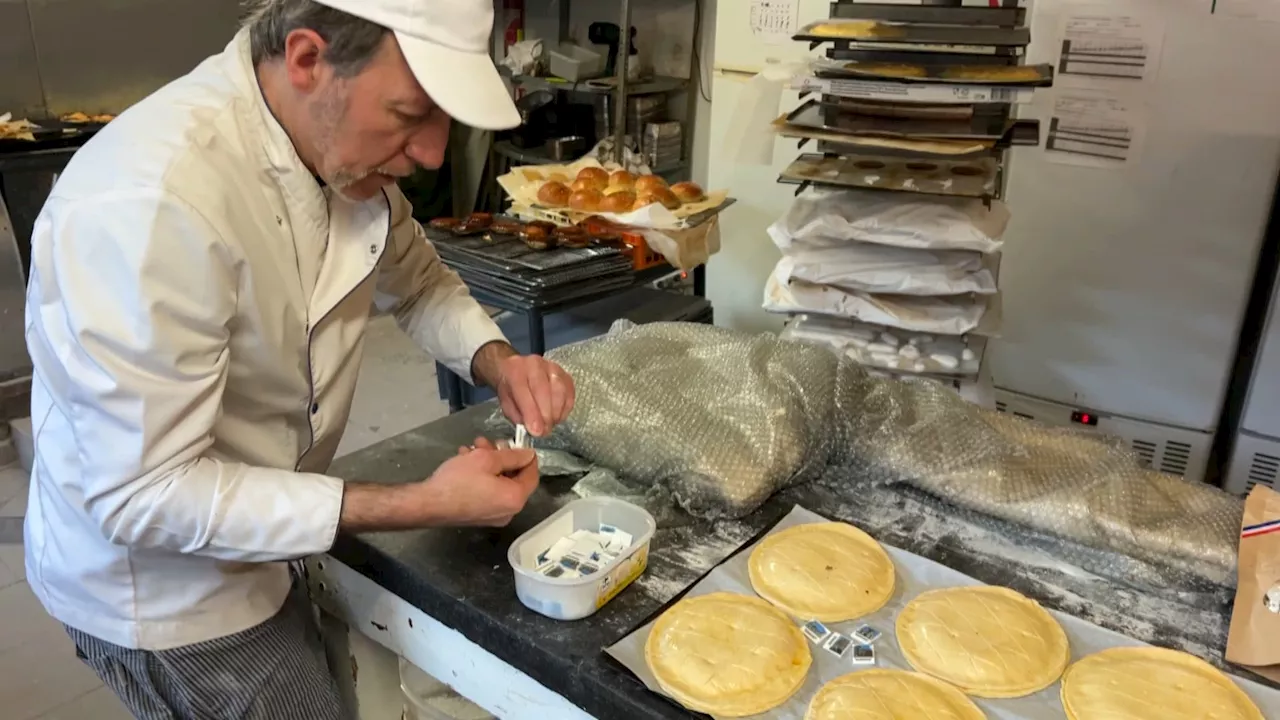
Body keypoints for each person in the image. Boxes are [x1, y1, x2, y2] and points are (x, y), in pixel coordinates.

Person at [21, 1, 574, 717]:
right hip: (170, 593)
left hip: (262, 523)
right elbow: (142, 495)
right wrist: (422, 504)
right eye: (410, 113)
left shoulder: (334, 149)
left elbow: (418, 278)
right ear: (309, 59)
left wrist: (499, 361)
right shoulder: (152, 202)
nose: (435, 153)